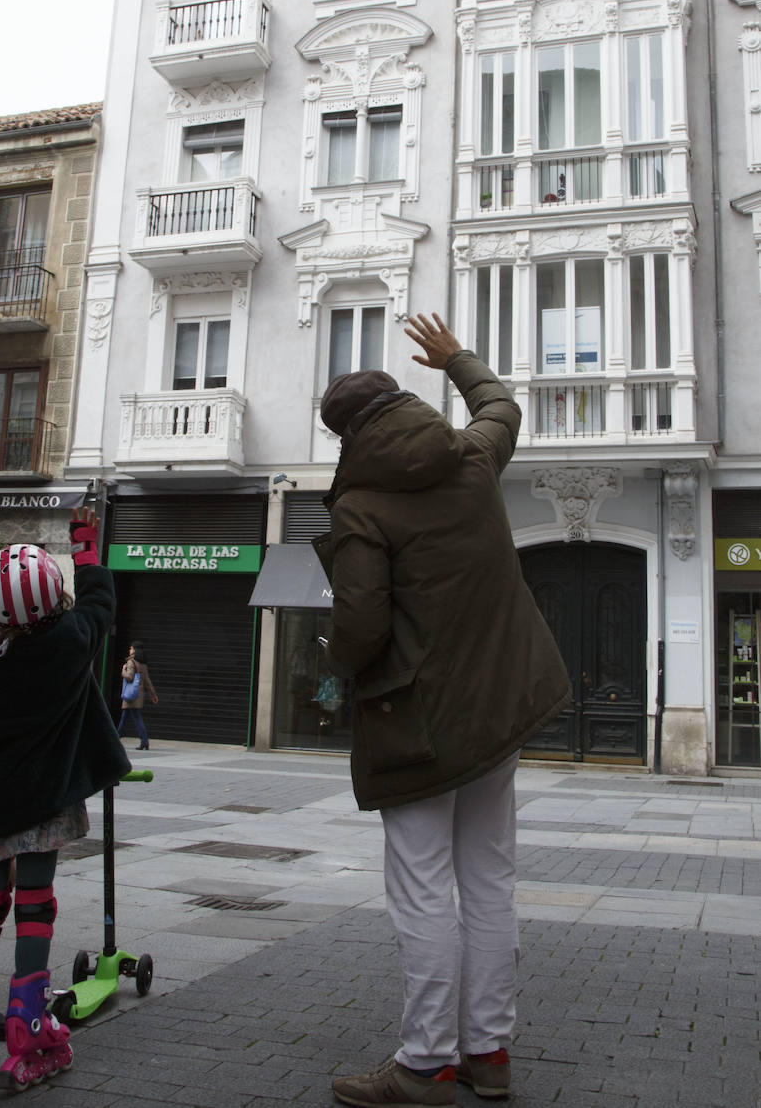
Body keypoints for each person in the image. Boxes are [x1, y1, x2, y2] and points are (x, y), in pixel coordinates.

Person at [319, 312, 571, 1108]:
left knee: (424, 890)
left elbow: (359, 627)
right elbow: (503, 408)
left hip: (418, 730)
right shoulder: (470, 459)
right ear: (403, 402)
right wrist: (458, 357)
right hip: (501, 712)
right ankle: (488, 1052)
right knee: (489, 881)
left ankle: (424, 1064)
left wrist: (334, 665)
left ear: (346, 436)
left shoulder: (362, 505)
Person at [0, 509, 130, 1089]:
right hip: (46, 804)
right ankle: (26, 1022)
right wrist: (86, 546)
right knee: (36, 904)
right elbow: (100, 600)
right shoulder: (71, 643)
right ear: (51, 598)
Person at [117, 641, 159, 751]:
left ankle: (144, 741)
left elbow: (129, 677)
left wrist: (123, 671)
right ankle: (117, 738)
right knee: (125, 717)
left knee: (135, 718)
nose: (129, 649)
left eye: (131, 648)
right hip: (138, 695)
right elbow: (147, 682)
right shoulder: (143, 664)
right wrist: (153, 695)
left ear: (135, 650)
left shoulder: (131, 662)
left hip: (131, 695)